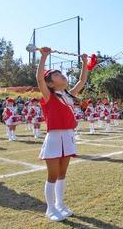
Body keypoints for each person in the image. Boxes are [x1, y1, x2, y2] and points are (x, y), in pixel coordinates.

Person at [36, 46, 88, 222]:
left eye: (61, 73)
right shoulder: (48, 96)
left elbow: (81, 81)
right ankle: (50, 209)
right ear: (50, 83)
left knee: (62, 174)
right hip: (54, 138)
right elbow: (39, 80)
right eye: (57, 74)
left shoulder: (68, 95)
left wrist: (85, 63)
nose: (62, 75)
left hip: (68, 136)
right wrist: (44, 57)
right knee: (52, 175)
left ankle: (60, 204)